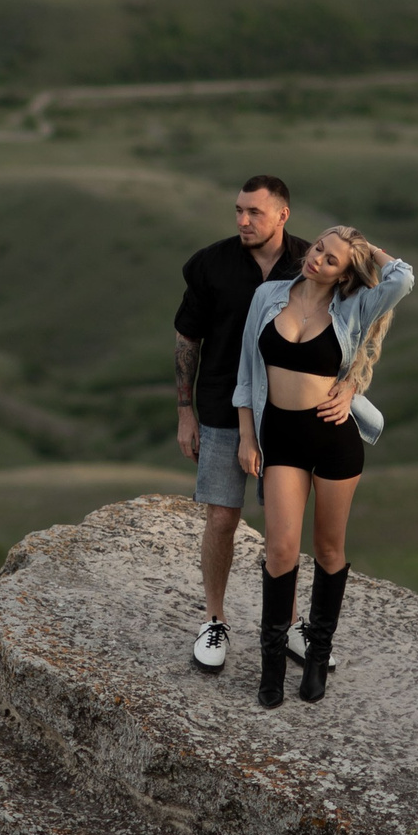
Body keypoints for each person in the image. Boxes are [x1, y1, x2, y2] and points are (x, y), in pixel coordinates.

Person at [233, 225, 415, 708]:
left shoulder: (353, 305)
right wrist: (247, 436)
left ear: (344, 275)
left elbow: (402, 279)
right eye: (318, 248)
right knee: (279, 551)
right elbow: (246, 371)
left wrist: (368, 249)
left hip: (334, 440)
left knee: (328, 549)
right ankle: (272, 666)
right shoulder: (269, 296)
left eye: (332, 259)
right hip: (281, 439)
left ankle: (317, 656)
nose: (317, 259)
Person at [173, 177, 309, 675]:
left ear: (282, 215)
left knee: (284, 525)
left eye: (254, 212)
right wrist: (185, 411)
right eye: (238, 210)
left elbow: (346, 325)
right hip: (220, 407)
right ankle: (214, 620)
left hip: (289, 412)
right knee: (221, 518)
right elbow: (187, 340)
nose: (243, 221)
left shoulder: (310, 263)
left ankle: (288, 623)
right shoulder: (211, 264)